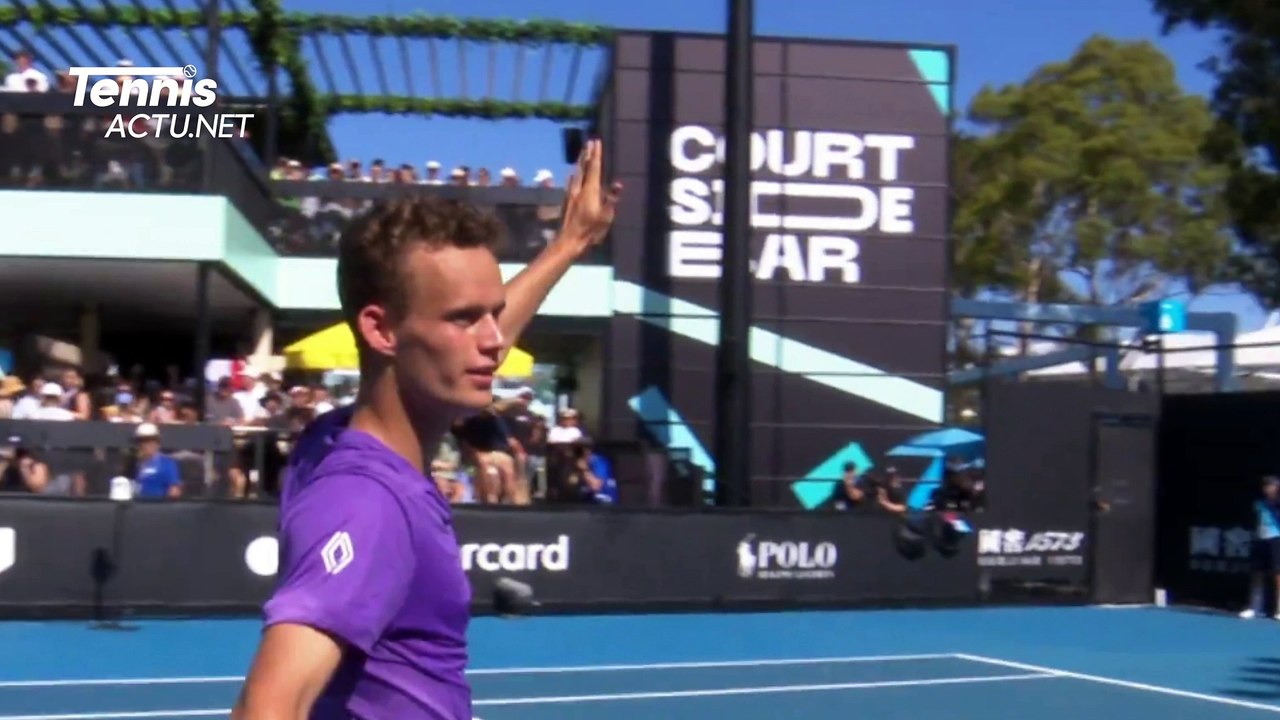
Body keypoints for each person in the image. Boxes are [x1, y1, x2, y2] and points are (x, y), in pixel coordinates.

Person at [232, 139, 620, 720]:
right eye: (465, 318)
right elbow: (267, 707)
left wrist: (570, 243)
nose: (492, 340)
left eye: (493, 315)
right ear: (381, 330)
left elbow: (466, 340)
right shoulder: (368, 501)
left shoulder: (330, 438)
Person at [1241, 476, 1280, 619]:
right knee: (1257, 573)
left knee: (1278, 575)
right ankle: (1254, 607)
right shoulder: (1259, 504)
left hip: (1276, 540)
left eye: (1272, 486)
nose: (1269, 488)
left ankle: (1279, 609)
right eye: (1267, 486)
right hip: (1260, 540)